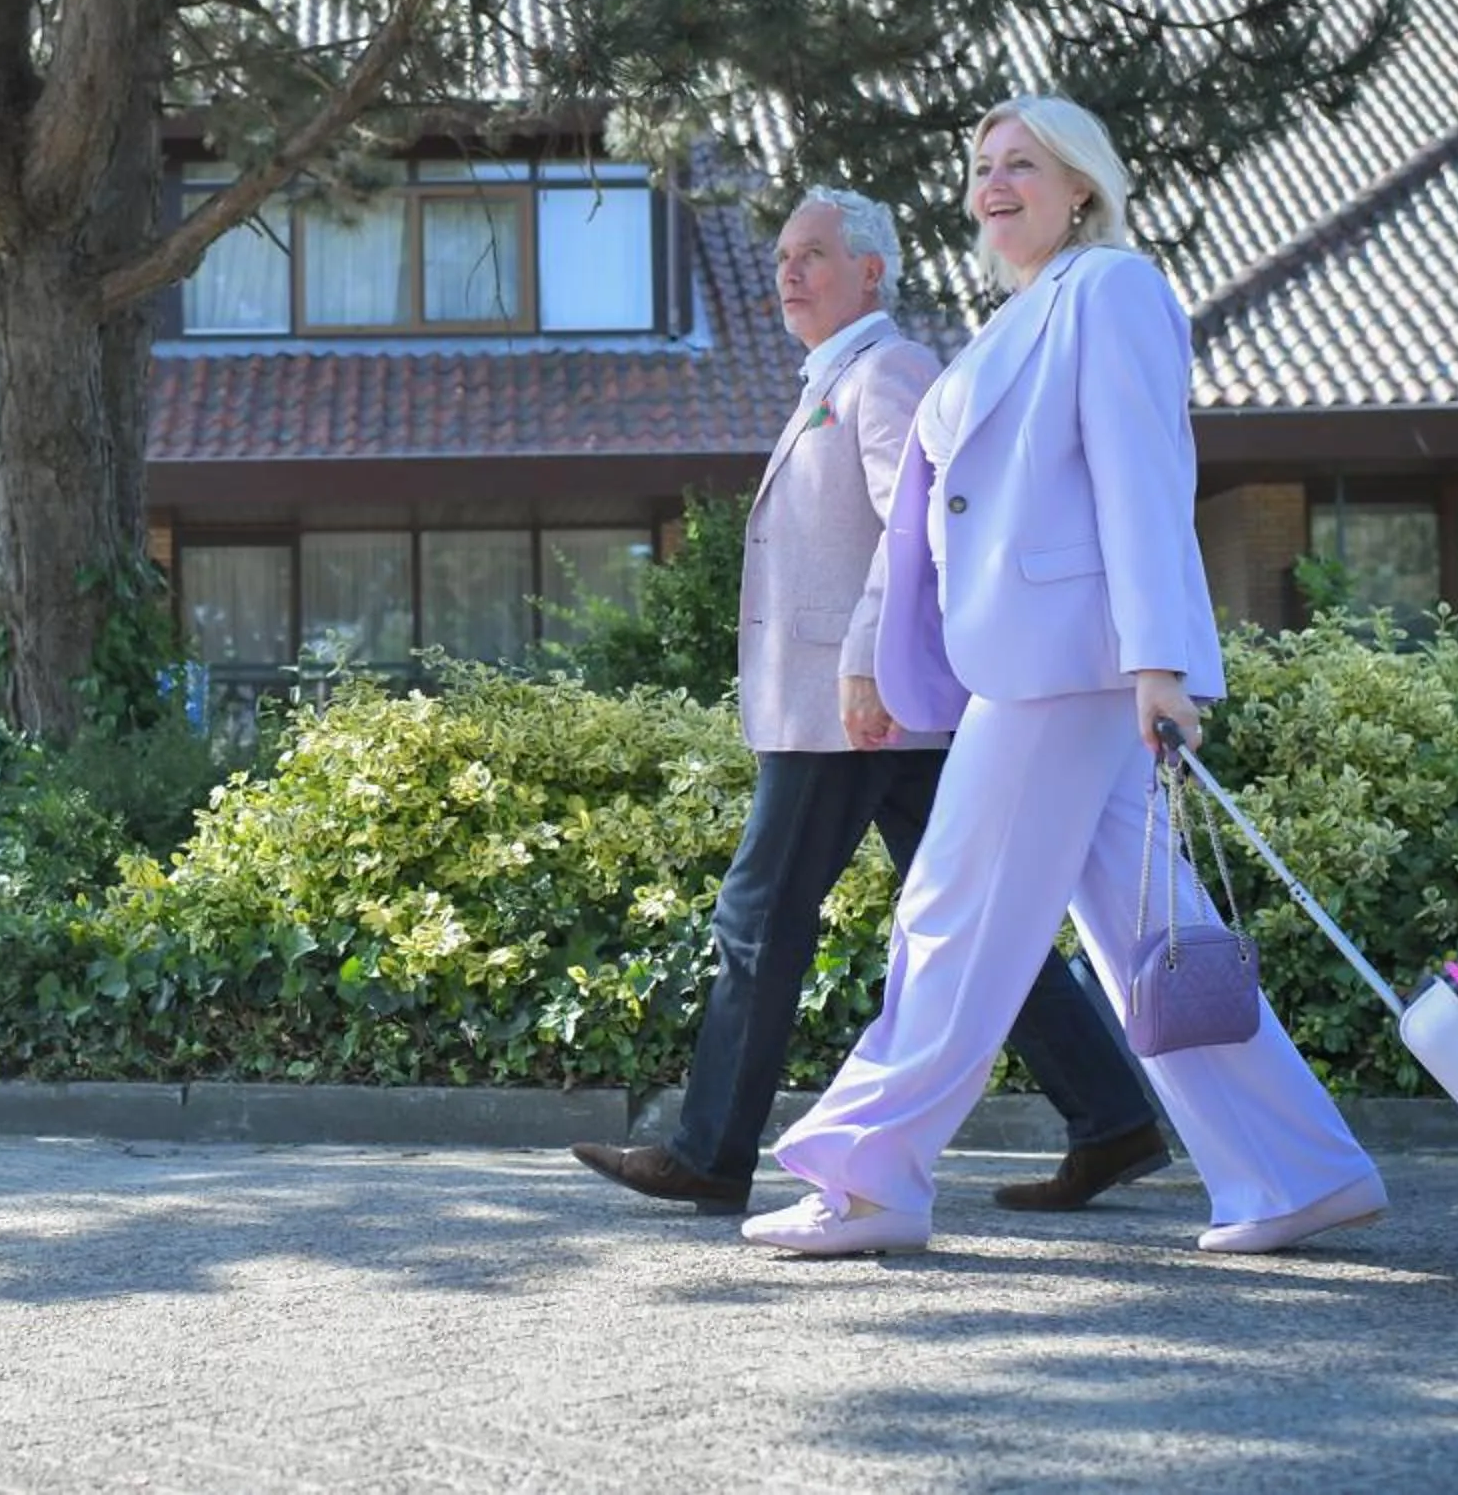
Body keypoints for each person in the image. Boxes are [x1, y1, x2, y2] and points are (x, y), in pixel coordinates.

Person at [739, 98, 1388, 1258]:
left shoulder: (1112, 289)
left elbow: (1142, 477)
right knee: (1154, 937)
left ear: (1080, 183)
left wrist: (1159, 664)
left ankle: (871, 1175)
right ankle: (1298, 1170)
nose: (994, 184)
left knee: (951, 911)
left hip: (1071, 667)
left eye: (1021, 165)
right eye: (983, 167)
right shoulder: (1016, 316)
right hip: (1035, 662)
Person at [570, 187, 1168, 1219]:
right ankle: (1111, 1117)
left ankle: (713, 1151)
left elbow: (919, 526)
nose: (789, 274)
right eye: (784, 258)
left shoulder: (885, 371)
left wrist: (861, 664)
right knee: (980, 916)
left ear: (872, 272)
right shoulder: (839, 376)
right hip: (885, 710)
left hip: (855, 710)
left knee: (760, 914)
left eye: (813, 255)